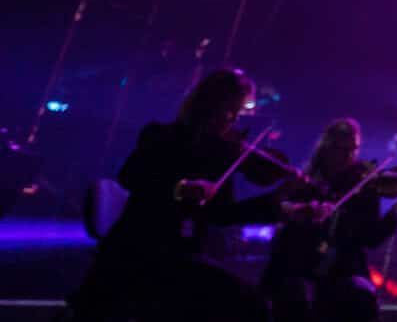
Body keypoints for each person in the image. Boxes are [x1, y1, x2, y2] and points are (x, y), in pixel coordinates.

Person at [68, 67, 298, 322]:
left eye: (238, 112)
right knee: (243, 306)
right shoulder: (161, 135)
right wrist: (180, 188)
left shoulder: (223, 153)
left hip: (183, 257)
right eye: (229, 109)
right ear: (208, 104)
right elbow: (130, 175)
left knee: (252, 304)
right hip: (140, 251)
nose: (233, 119)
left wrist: (280, 205)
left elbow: (223, 214)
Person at [261, 118, 397, 322]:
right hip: (301, 265)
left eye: (354, 149)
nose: (349, 157)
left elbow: (372, 238)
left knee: (360, 297)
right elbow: (288, 232)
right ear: (326, 148)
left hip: (343, 271)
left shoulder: (364, 186)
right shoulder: (305, 183)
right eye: (342, 149)